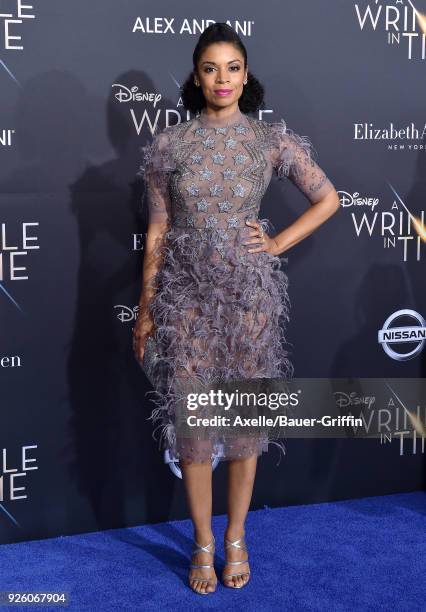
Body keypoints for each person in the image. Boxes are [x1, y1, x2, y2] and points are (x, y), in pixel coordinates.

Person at [133, 22, 340, 595]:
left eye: (232, 68)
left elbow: (328, 198)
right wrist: (148, 306)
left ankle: (236, 538)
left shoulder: (269, 141)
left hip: (250, 298)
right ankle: (202, 542)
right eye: (209, 68)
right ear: (196, 78)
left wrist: (274, 243)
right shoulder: (170, 146)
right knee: (196, 428)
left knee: (244, 425)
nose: (221, 78)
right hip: (186, 298)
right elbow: (157, 229)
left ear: (246, 76)